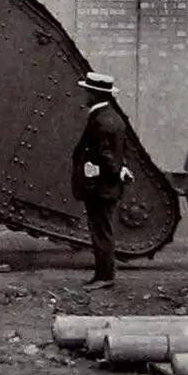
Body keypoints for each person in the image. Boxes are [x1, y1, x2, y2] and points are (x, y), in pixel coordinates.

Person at [71, 71, 134, 290]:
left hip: (100, 186)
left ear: (96, 94)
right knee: (103, 230)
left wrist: (110, 170)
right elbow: (121, 149)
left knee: (101, 232)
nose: (85, 95)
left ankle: (105, 276)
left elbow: (105, 154)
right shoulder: (114, 118)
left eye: (88, 92)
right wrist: (121, 168)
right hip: (107, 186)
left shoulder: (100, 121)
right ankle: (103, 275)